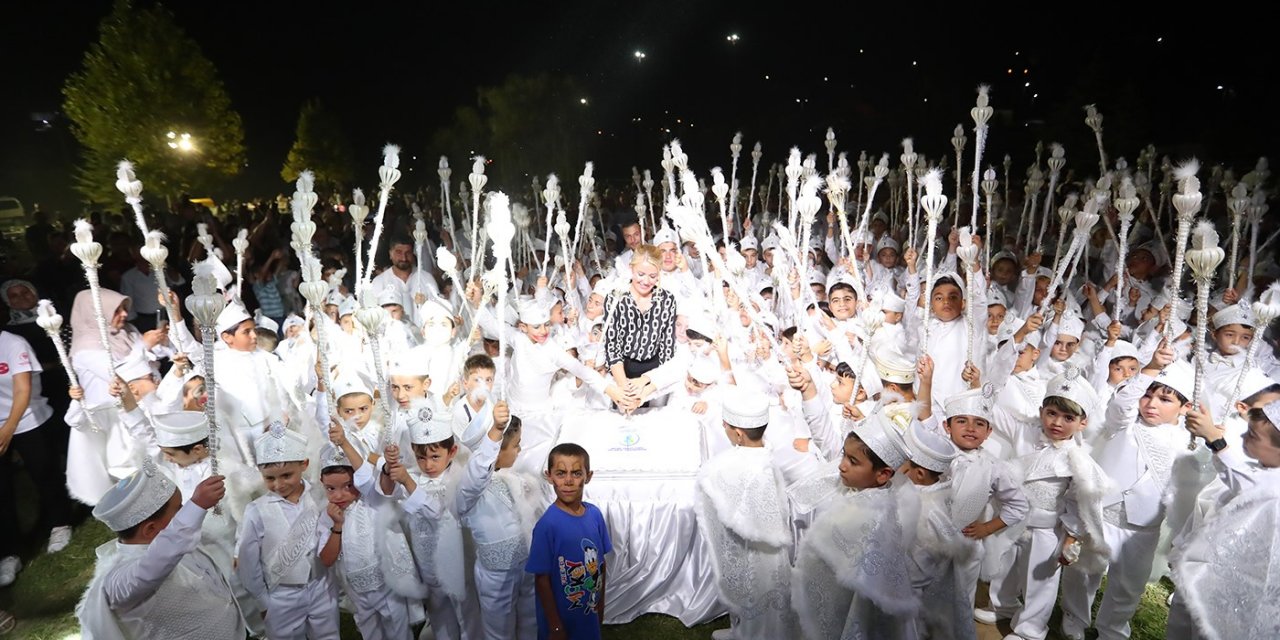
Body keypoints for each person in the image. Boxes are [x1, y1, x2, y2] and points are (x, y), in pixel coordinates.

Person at [1060, 346, 1194, 640]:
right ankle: (1074, 617)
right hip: (1102, 514)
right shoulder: (1124, 423)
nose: (1151, 404)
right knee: (1084, 570)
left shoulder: (1187, 443)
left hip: (1142, 527)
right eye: (1147, 395)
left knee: (1128, 584)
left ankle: (1112, 629)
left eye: (1165, 399)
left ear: (1185, 407)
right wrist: (1150, 368)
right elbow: (1121, 405)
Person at [988, 369, 1112, 640]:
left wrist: (1071, 538)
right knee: (1006, 567)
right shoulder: (1027, 433)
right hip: (1013, 521)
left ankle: (1030, 629)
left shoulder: (1077, 460)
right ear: (1041, 411)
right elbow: (993, 411)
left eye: (1068, 418)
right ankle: (1003, 605)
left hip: (1046, 530)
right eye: (1052, 413)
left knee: (1039, 580)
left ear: (1082, 423)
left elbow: (1079, 503)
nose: (1057, 423)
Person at [76, 461, 244, 639]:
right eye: (179, 509)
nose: (185, 513)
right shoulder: (119, 582)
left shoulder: (174, 542)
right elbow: (155, 563)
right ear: (150, 529)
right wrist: (196, 506)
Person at [791, 412, 919, 639]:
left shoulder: (876, 517)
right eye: (844, 455)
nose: (841, 466)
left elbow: (866, 586)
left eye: (853, 461)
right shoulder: (853, 486)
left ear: (883, 475)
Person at [694, 386, 797, 639]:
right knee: (760, 588)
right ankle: (743, 629)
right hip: (769, 546)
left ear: (738, 433)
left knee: (757, 588)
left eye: (726, 425)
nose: (723, 428)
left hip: (754, 547)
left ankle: (753, 634)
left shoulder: (729, 467)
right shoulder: (767, 457)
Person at [381, 396, 481, 640]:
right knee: (439, 617)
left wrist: (407, 481)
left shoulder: (459, 479)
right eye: (421, 457)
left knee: (467, 617)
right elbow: (386, 492)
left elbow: (438, 513)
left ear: (452, 451)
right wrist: (387, 467)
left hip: (458, 563)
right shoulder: (413, 476)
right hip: (426, 564)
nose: (427, 464)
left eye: (435, 457)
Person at [235, 423, 339, 640]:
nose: (279, 484)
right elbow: (247, 561)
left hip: (321, 586)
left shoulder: (320, 495)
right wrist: (263, 601)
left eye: (286, 475)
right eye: (270, 478)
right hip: (281, 594)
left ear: (304, 464)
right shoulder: (256, 511)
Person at [321, 426, 420, 640]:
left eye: (348, 486)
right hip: (357, 592)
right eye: (331, 489)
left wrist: (344, 443)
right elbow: (327, 559)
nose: (339, 495)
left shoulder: (372, 500)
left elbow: (370, 479)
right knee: (370, 633)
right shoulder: (327, 516)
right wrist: (337, 526)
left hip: (387, 585)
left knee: (398, 632)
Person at [456, 407, 541, 640]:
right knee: (499, 630)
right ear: (495, 450)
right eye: (516, 445)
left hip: (526, 565)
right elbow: (477, 474)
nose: (519, 450)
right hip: (497, 576)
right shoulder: (469, 487)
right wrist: (496, 431)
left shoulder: (510, 477)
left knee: (530, 620)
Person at [0, 328, 74, 588]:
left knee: (44, 474)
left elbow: (23, 389)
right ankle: (10, 552)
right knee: (1, 491)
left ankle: (60, 523)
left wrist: (8, 430)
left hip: (28, 418)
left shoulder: (12, 343)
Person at [527, 442, 611, 640]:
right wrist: (555, 626)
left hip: (588, 612)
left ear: (588, 476)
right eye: (561, 473)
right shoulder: (547, 525)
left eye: (576, 473)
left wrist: (600, 603)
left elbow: (601, 564)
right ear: (549, 476)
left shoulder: (595, 515)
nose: (568, 481)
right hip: (561, 619)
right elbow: (541, 579)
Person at [603, 245, 677, 404]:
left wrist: (649, 386)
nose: (646, 281)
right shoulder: (615, 298)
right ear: (631, 269)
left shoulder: (667, 300)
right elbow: (612, 347)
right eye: (641, 274)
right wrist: (625, 390)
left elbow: (667, 349)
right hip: (622, 369)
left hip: (655, 372)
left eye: (652, 276)